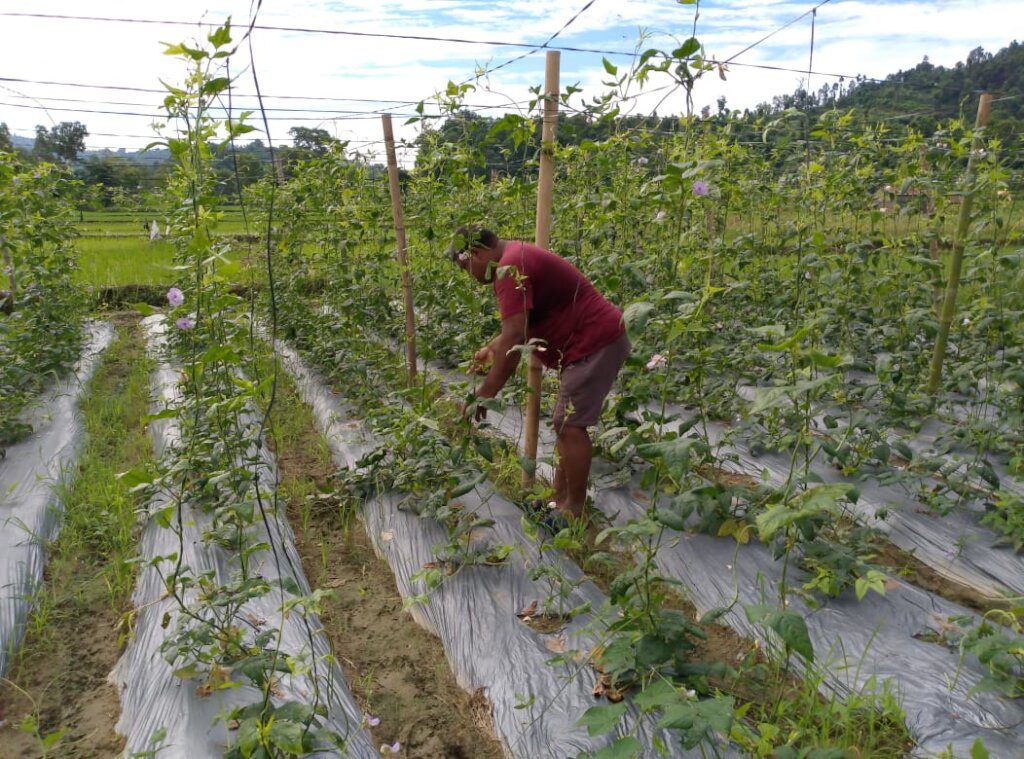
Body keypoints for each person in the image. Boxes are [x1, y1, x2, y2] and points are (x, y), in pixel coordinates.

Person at [449, 225, 630, 530]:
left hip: (594, 341)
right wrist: (493, 348)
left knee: (570, 426)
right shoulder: (515, 258)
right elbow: (522, 323)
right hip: (591, 341)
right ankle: (559, 503)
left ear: (477, 254)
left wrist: (485, 393)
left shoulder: (509, 268)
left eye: (465, 265)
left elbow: (515, 334)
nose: (469, 274)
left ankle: (574, 510)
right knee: (564, 424)